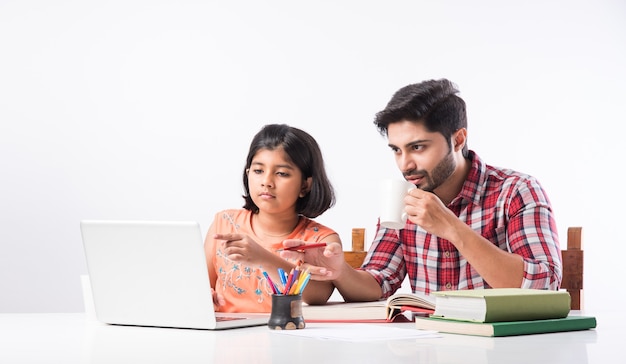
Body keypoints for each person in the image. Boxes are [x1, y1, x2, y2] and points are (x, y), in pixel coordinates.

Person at [281, 79, 562, 302]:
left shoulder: (516, 191)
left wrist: (453, 228)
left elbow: (545, 286)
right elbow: (379, 281)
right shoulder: (404, 200)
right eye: (397, 150)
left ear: (458, 139)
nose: (406, 164)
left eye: (418, 147)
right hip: (428, 348)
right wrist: (340, 271)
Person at [204, 124, 339, 312]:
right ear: (248, 173)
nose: (266, 181)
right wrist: (204, 297)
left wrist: (264, 258)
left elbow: (317, 296)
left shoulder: (320, 240)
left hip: (285, 337)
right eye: (258, 170)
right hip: (222, 338)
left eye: (282, 173)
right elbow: (201, 286)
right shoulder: (224, 223)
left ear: (305, 185)